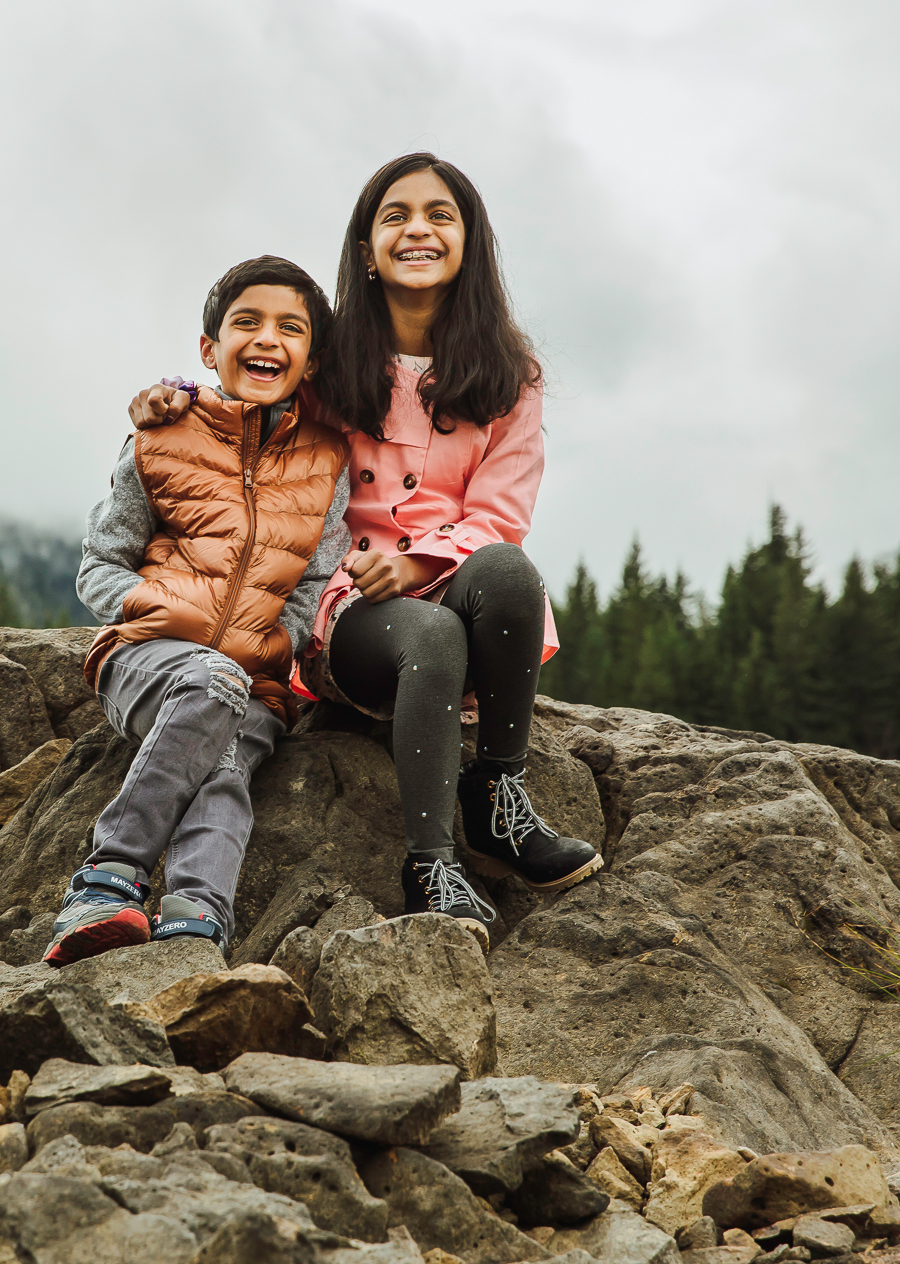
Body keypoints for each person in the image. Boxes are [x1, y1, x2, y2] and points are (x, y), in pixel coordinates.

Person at [125, 154, 600, 941]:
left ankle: (498, 799)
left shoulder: (511, 375)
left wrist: (419, 564)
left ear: (470, 241)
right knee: (431, 631)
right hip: (352, 618)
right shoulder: (333, 358)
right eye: (396, 215)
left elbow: (502, 513)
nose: (418, 229)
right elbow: (254, 387)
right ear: (366, 246)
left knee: (511, 572)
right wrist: (176, 393)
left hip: (456, 584)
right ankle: (429, 863)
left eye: (440, 215)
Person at [47, 255, 352, 968]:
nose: (267, 339)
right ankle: (106, 878)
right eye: (246, 323)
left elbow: (312, 585)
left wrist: (277, 641)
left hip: (256, 678)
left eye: (290, 327)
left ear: (311, 359)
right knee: (209, 683)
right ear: (210, 350)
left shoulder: (328, 461)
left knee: (227, 764)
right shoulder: (162, 435)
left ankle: (194, 925)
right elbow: (99, 564)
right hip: (147, 659)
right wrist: (160, 610)